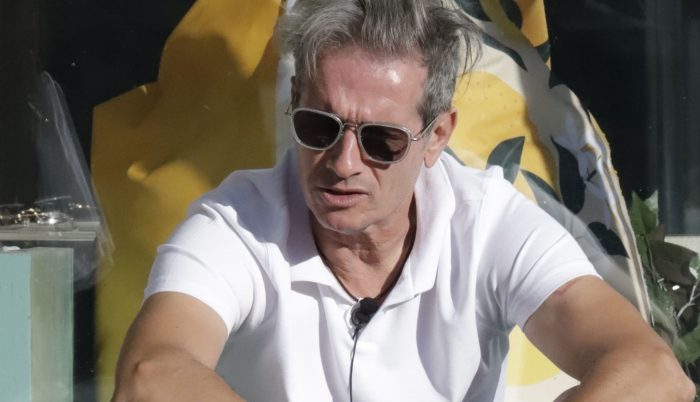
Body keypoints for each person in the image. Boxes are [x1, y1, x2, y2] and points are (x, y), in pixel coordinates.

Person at [112, 0, 694, 401]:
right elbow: (151, 375)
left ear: (437, 136)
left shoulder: (488, 222)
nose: (343, 162)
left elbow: (652, 374)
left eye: (381, 141)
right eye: (318, 126)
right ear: (292, 104)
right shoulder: (237, 222)